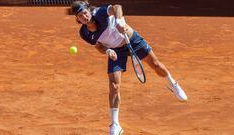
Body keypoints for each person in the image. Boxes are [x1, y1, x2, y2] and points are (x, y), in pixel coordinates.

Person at [70, 1, 187, 135]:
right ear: (77, 19)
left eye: (85, 13)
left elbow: (116, 7)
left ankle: (172, 84)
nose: (84, 17)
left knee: (155, 65)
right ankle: (115, 124)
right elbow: (99, 46)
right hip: (116, 51)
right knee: (114, 85)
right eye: (80, 16)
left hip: (131, 40)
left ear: (89, 11)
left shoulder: (100, 13)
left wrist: (119, 21)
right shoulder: (84, 33)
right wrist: (107, 51)